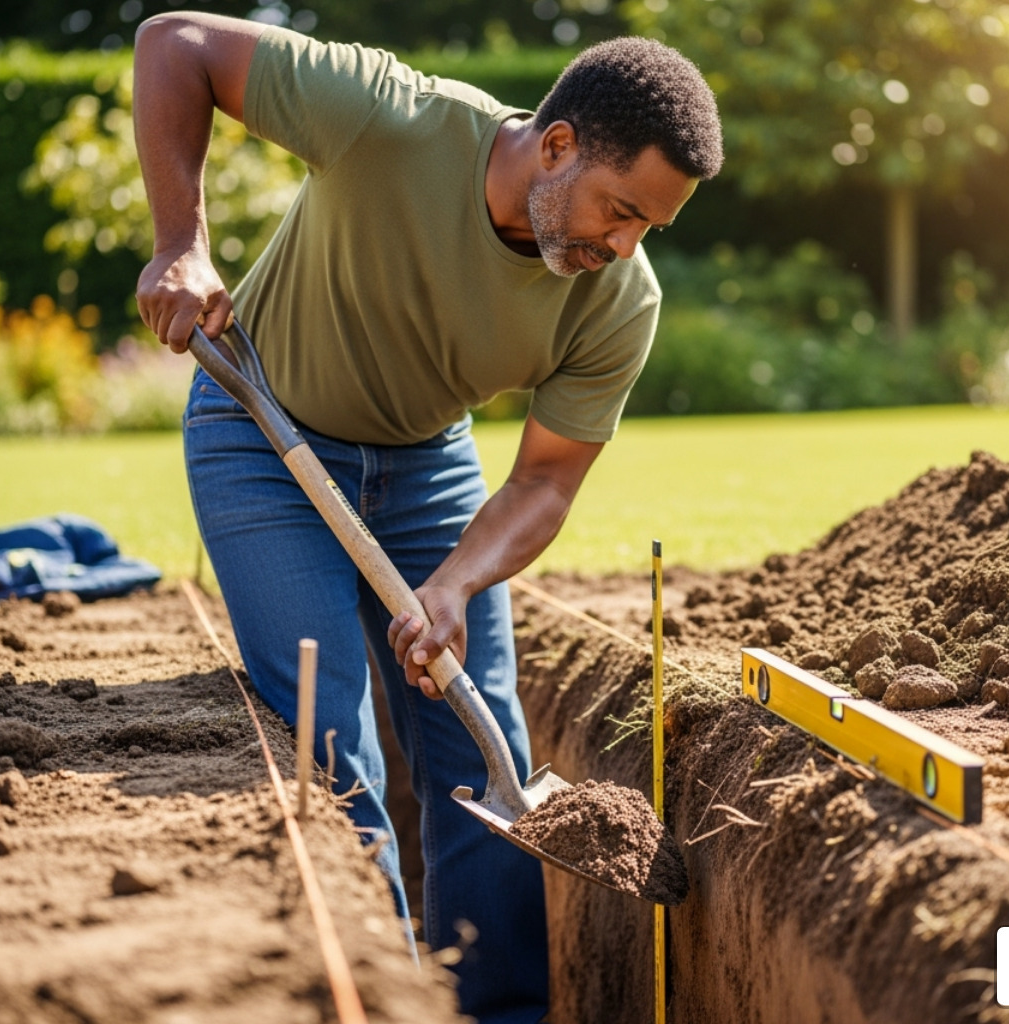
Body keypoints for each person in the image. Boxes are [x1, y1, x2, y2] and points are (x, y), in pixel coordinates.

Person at [132, 12, 722, 1022]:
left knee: (475, 729)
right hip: (262, 441)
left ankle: (503, 1009)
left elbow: (544, 485)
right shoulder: (390, 118)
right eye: (619, 211)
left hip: (425, 464)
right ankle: (383, 997)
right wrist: (182, 243)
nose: (624, 247)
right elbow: (173, 42)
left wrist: (454, 582)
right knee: (328, 735)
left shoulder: (620, 299)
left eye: (647, 230)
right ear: (560, 145)